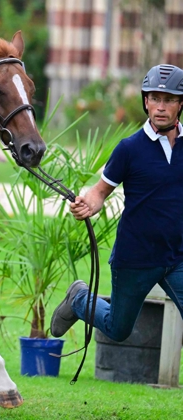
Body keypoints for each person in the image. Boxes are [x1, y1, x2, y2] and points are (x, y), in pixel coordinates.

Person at [50, 64, 183, 342]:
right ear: (146, 101)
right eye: (155, 99)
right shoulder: (129, 149)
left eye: (169, 99)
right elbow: (100, 191)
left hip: (177, 257)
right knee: (118, 329)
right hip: (135, 258)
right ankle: (79, 299)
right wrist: (87, 204)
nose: (161, 106)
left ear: (180, 104)